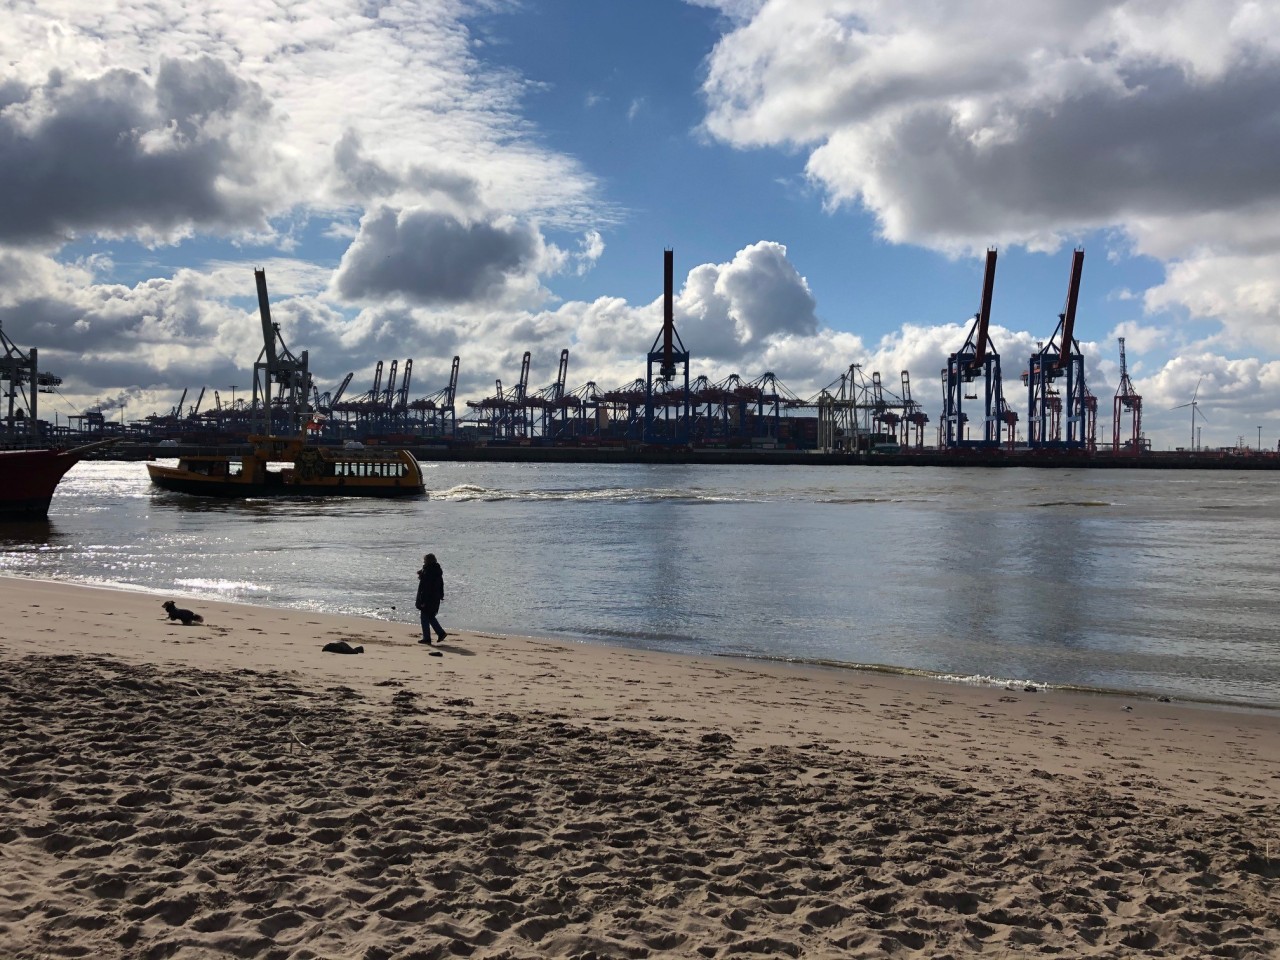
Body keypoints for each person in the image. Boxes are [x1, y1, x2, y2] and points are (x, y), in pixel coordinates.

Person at [415, 553, 447, 645]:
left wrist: (423, 601)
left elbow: (426, 588)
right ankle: (440, 633)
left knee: (425, 617)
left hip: (428, 598)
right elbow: (441, 584)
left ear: (428, 561)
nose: (424, 562)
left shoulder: (429, 572)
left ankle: (427, 638)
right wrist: (441, 595)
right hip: (435, 597)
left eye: (425, 560)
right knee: (430, 616)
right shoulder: (436, 570)